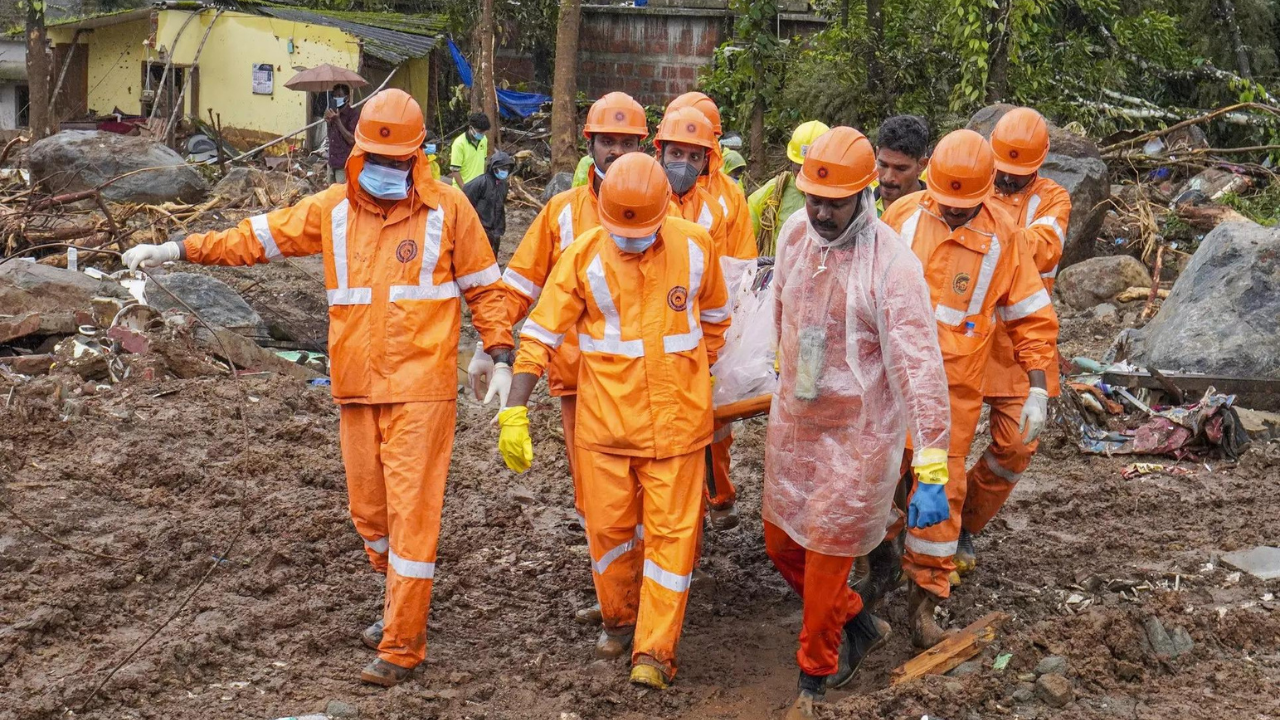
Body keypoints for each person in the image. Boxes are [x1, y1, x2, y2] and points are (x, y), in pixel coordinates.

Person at [122, 89, 515, 688]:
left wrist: (498, 350)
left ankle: (402, 645)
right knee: (371, 516)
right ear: (357, 154)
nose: (386, 172)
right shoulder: (332, 210)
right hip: (356, 387)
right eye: (376, 160)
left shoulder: (449, 209)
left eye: (397, 161)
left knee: (412, 519)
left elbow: (486, 288)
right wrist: (176, 248)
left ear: (417, 158)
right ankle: (396, 606)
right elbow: (256, 237)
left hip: (421, 389)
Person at [495, 152, 731, 690]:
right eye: (619, 231)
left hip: (677, 430)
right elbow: (540, 334)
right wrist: (516, 405)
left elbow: (716, 321)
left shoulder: (696, 248)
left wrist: (694, 375)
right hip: (604, 431)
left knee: (673, 540)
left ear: (663, 211)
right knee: (608, 534)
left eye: (639, 232)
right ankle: (620, 619)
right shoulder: (581, 259)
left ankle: (655, 650)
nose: (628, 241)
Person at [766, 126, 953, 719]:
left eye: (834, 202)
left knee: (825, 560)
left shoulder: (891, 266)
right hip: (797, 423)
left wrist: (930, 464)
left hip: (859, 436)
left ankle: (812, 682)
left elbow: (918, 367)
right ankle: (857, 621)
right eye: (813, 198)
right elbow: (781, 314)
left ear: (864, 193)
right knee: (781, 544)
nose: (820, 212)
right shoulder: (796, 235)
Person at [880, 129, 1058, 649]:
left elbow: (1029, 317)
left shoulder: (1004, 236)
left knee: (937, 499)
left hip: (947, 402)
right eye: (947, 207)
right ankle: (873, 575)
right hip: (888, 391)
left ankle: (924, 604)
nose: (954, 216)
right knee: (876, 484)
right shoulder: (903, 216)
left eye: (964, 209)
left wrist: (1038, 388)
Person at [498, 91, 651, 625]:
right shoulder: (562, 213)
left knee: (649, 499)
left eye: (627, 142)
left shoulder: (659, 210)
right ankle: (619, 601)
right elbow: (518, 283)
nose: (616, 151)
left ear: (643, 146)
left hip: (645, 387)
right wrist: (495, 346)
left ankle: (640, 600)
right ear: (590, 145)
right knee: (597, 502)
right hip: (579, 387)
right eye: (607, 141)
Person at [958, 107, 1070, 573]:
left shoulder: (1054, 199)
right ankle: (932, 529)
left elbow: (1046, 246)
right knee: (941, 447)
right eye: (1001, 171)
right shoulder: (970, 183)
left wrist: (988, 237)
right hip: (967, 339)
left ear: (1038, 166)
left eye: (1015, 175)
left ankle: (965, 524)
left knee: (1017, 447)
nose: (1005, 181)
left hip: (1022, 341)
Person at [654, 103, 753, 529]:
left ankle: (715, 492)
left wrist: (731, 329)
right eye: (678, 152)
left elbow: (737, 266)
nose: (686, 162)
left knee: (714, 423)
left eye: (696, 154)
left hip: (706, 328)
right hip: (657, 331)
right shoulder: (644, 194)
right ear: (660, 151)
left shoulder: (724, 201)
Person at [654, 106, 732, 255]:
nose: (684, 164)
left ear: (703, 163)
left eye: (694, 157)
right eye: (676, 153)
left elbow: (715, 273)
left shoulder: (714, 213)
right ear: (659, 156)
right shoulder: (641, 201)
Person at [748, 120, 830, 255]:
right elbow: (744, 238)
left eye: (812, 171)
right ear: (792, 163)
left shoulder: (843, 199)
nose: (806, 179)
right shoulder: (772, 192)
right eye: (800, 170)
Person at [872, 114, 930, 215]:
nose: (888, 178)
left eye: (900, 169)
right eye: (883, 165)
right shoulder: (861, 205)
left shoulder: (936, 214)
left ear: (921, 165)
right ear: (877, 154)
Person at [463, 150, 515, 258]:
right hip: (479, 229)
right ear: (494, 168)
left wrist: (499, 228)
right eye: (502, 169)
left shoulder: (503, 185)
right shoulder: (480, 182)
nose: (504, 171)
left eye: (507, 169)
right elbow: (464, 203)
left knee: (492, 259)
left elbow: (500, 207)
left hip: (495, 230)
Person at [324, 84, 360, 184]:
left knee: (342, 196)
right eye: (334, 96)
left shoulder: (354, 115)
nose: (336, 98)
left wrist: (338, 121)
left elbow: (352, 140)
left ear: (347, 98)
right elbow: (331, 137)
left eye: (339, 95)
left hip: (344, 165)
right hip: (331, 163)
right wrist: (328, 122)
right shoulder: (332, 113)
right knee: (330, 195)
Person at [449, 112, 491, 187]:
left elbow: (484, 162)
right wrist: (465, 189)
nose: (482, 134)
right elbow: (455, 171)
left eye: (484, 132)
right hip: (462, 190)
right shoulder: (459, 144)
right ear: (471, 128)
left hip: (478, 187)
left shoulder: (484, 140)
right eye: (480, 132)